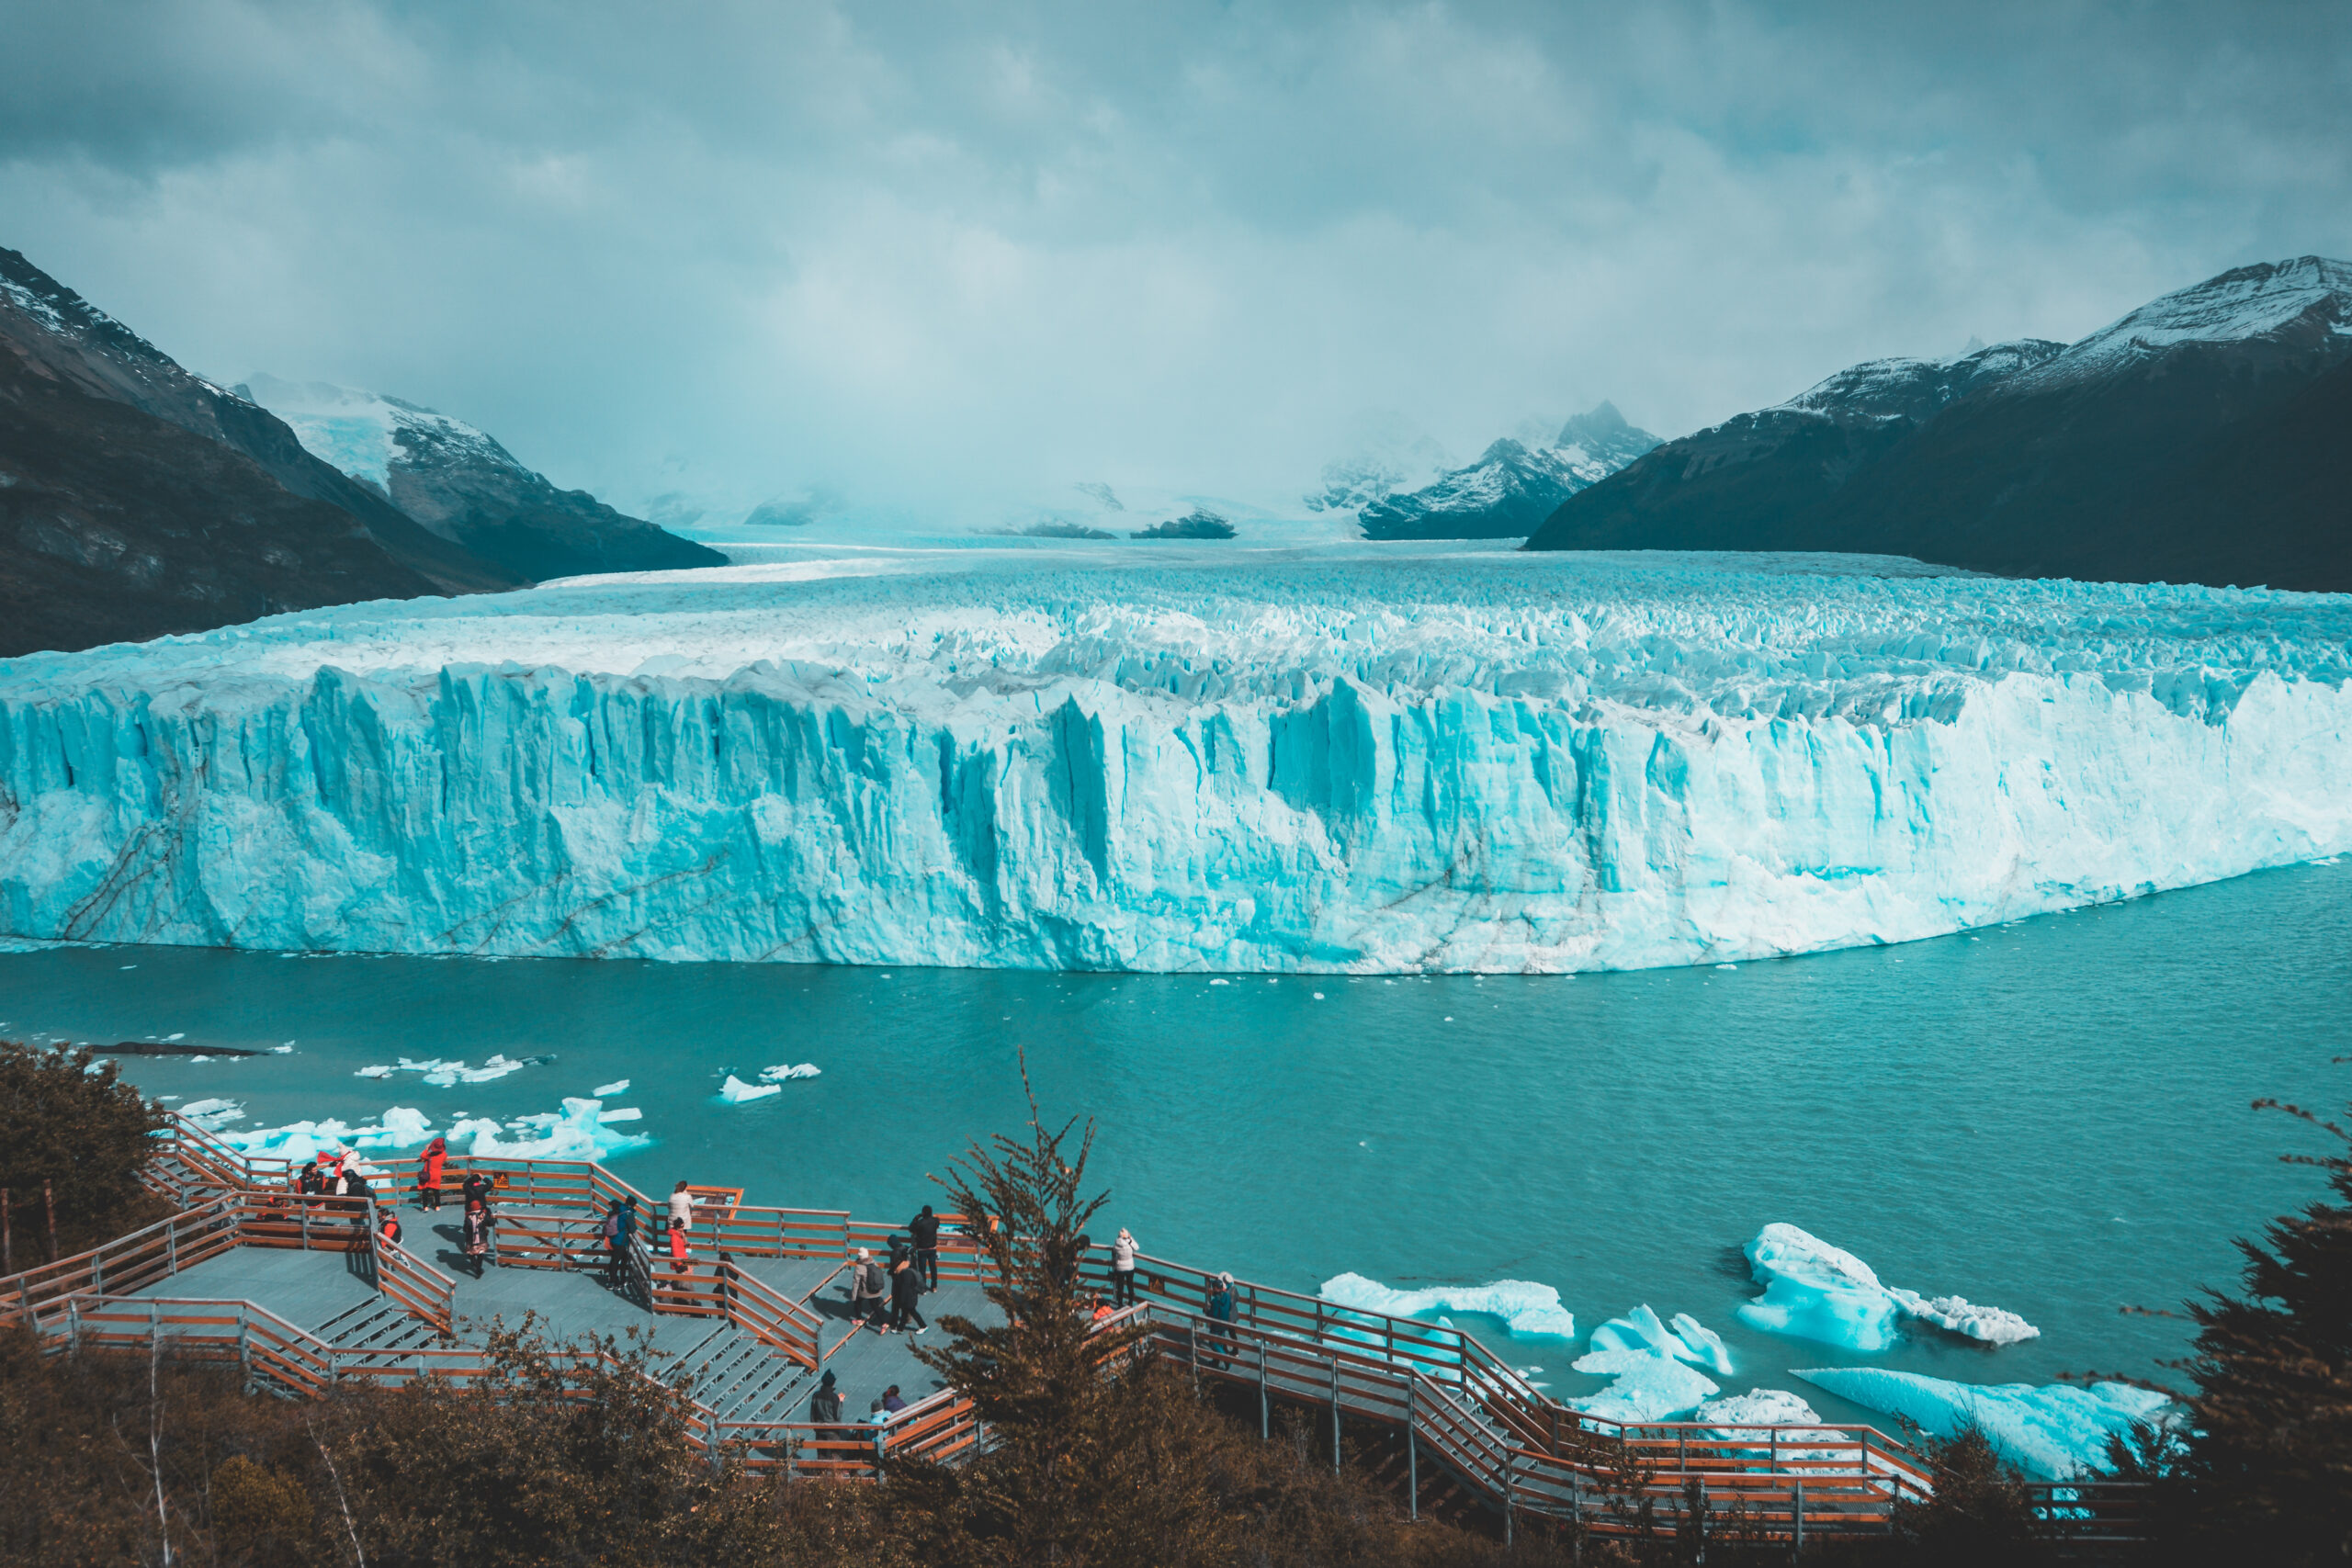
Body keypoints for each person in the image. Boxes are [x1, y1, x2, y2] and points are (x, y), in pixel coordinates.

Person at [889, 1248, 928, 1335]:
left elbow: (905, 1288)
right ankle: (900, 1329)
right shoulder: (908, 1270)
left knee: (912, 1312)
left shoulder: (905, 1274)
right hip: (911, 1296)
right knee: (905, 1312)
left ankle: (923, 1326)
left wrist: (902, 1299)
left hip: (908, 1298)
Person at [1204, 1271, 1238, 1366]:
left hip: (1217, 1325)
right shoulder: (1227, 1296)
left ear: (1216, 1288)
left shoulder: (1215, 1301)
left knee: (1213, 1343)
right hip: (1225, 1323)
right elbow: (1230, 1306)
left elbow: (1213, 1315)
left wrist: (1207, 1311)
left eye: (1213, 1287)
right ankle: (1216, 1361)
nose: (1212, 1289)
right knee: (1221, 1343)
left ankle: (1227, 1360)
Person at [850, 1247, 888, 1329]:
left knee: (857, 1302)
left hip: (866, 1292)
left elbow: (856, 1283)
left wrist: (853, 1296)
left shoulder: (859, 1267)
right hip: (877, 1290)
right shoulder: (874, 1262)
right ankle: (883, 1323)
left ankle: (859, 1320)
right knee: (875, 1306)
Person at [601, 1196, 636, 1285]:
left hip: (612, 1239)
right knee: (620, 1260)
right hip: (620, 1240)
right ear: (632, 1205)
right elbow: (632, 1229)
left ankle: (615, 1280)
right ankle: (615, 1282)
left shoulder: (618, 1210)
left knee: (616, 1260)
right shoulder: (628, 1213)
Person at [909, 1203, 941, 1292]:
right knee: (933, 1268)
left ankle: (923, 1287)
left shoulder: (920, 1223)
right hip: (932, 1249)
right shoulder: (935, 1221)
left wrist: (916, 1218)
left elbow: (911, 1228)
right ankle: (934, 1286)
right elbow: (937, 1222)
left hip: (922, 1249)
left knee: (922, 1270)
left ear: (923, 1213)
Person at [808, 1369, 844, 1440]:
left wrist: (815, 1426)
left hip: (819, 1429)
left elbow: (813, 1414)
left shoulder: (816, 1395)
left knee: (822, 1451)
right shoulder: (834, 1397)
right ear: (833, 1383)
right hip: (833, 1431)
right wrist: (841, 1402)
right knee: (835, 1451)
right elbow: (837, 1415)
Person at [461, 1196, 491, 1279]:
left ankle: (478, 1268)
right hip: (482, 1238)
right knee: (480, 1254)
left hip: (471, 1240)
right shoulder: (483, 1215)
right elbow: (490, 1223)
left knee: (471, 1255)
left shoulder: (468, 1217)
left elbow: (465, 1229)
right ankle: (478, 1268)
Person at [1111, 1226, 1138, 1308]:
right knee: (1130, 1285)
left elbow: (1114, 1252)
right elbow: (1136, 1247)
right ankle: (1130, 1303)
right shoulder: (1129, 1242)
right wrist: (1130, 1238)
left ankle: (1120, 1304)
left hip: (1120, 1268)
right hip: (1130, 1267)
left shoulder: (1116, 1243)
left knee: (1120, 1287)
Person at [418, 1136, 447, 1211]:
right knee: (436, 1191)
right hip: (437, 1175)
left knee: (425, 1191)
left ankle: (425, 1207)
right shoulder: (444, 1155)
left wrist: (427, 1148)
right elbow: (444, 1154)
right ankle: (437, 1206)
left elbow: (422, 1155)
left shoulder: (429, 1155)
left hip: (428, 1176)